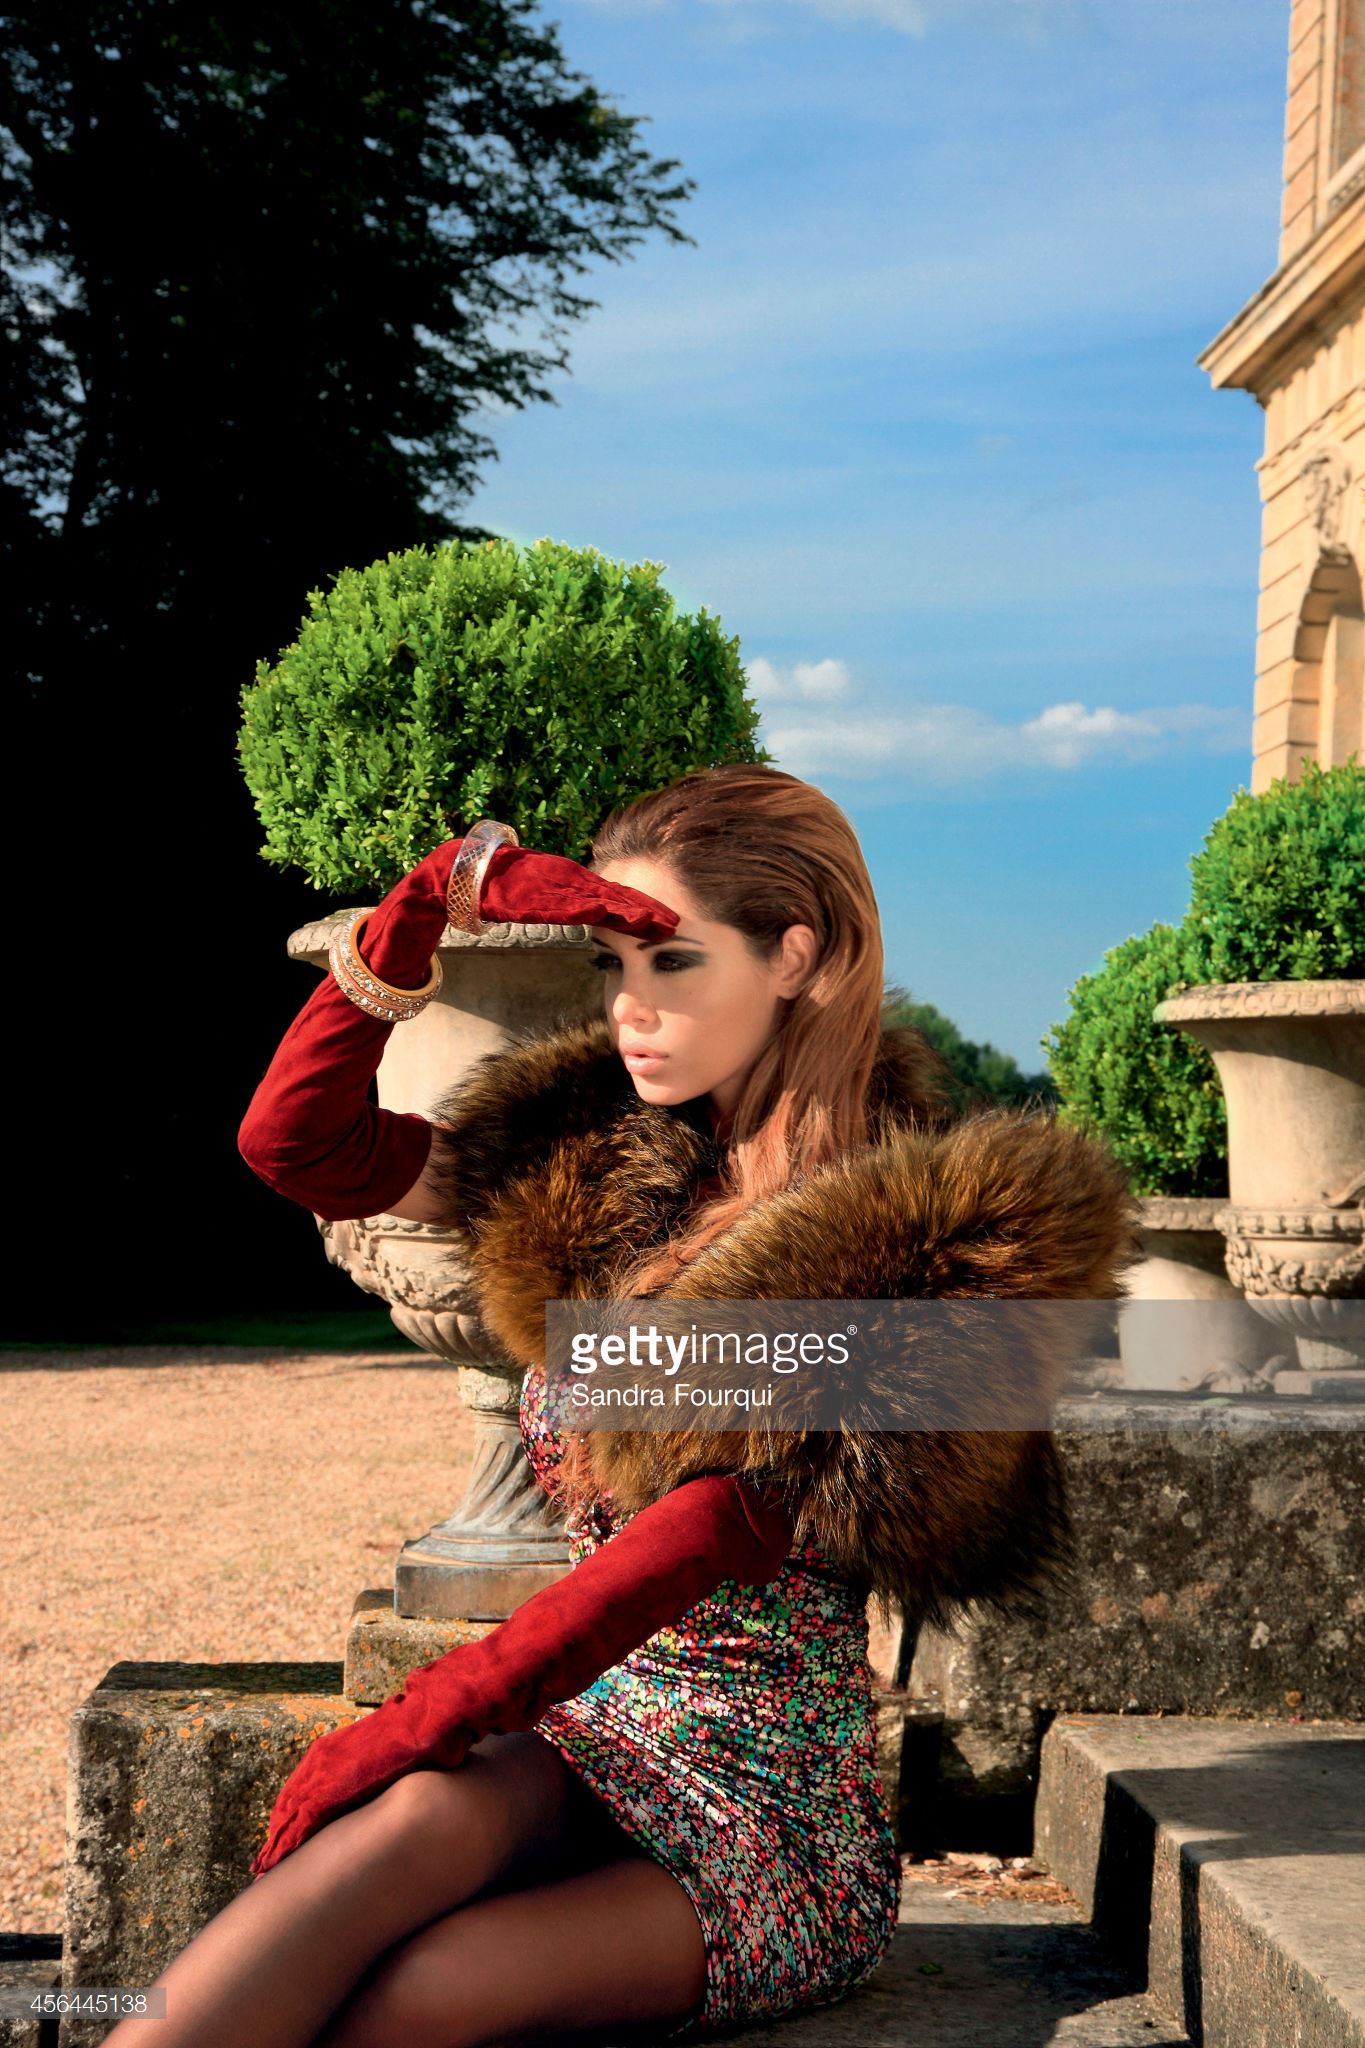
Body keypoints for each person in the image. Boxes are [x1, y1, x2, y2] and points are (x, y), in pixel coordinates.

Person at [102, 762, 1140, 2048]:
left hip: (768, 1808)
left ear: (796, 954)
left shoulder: (927, 1242)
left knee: (419, 1989)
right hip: (591, 1731)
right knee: (393, 1840)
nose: (630, 1009)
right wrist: (420, 909)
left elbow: (704, 1528)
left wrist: (426, 1713)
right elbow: (295, 1145)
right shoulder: (594, 1153)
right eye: (614, 966)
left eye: (674, 963)